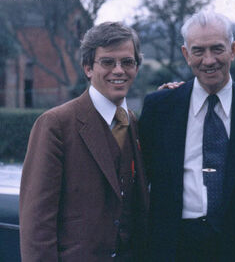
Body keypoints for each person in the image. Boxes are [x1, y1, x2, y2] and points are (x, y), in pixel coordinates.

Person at [139, 11, 235, 261]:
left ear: (233, 49)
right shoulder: (160, 109)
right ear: (186, 54)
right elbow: (142, 183)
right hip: (174, 248)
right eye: (198, 51)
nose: (208, 60)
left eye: (217, 49)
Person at [20, 22, 149, 262]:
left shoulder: (133, 122)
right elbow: (37, 224)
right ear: (88, 68)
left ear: (136, 68)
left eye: (127, 62)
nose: (119, 70)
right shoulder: (55, 124)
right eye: (108, 62)